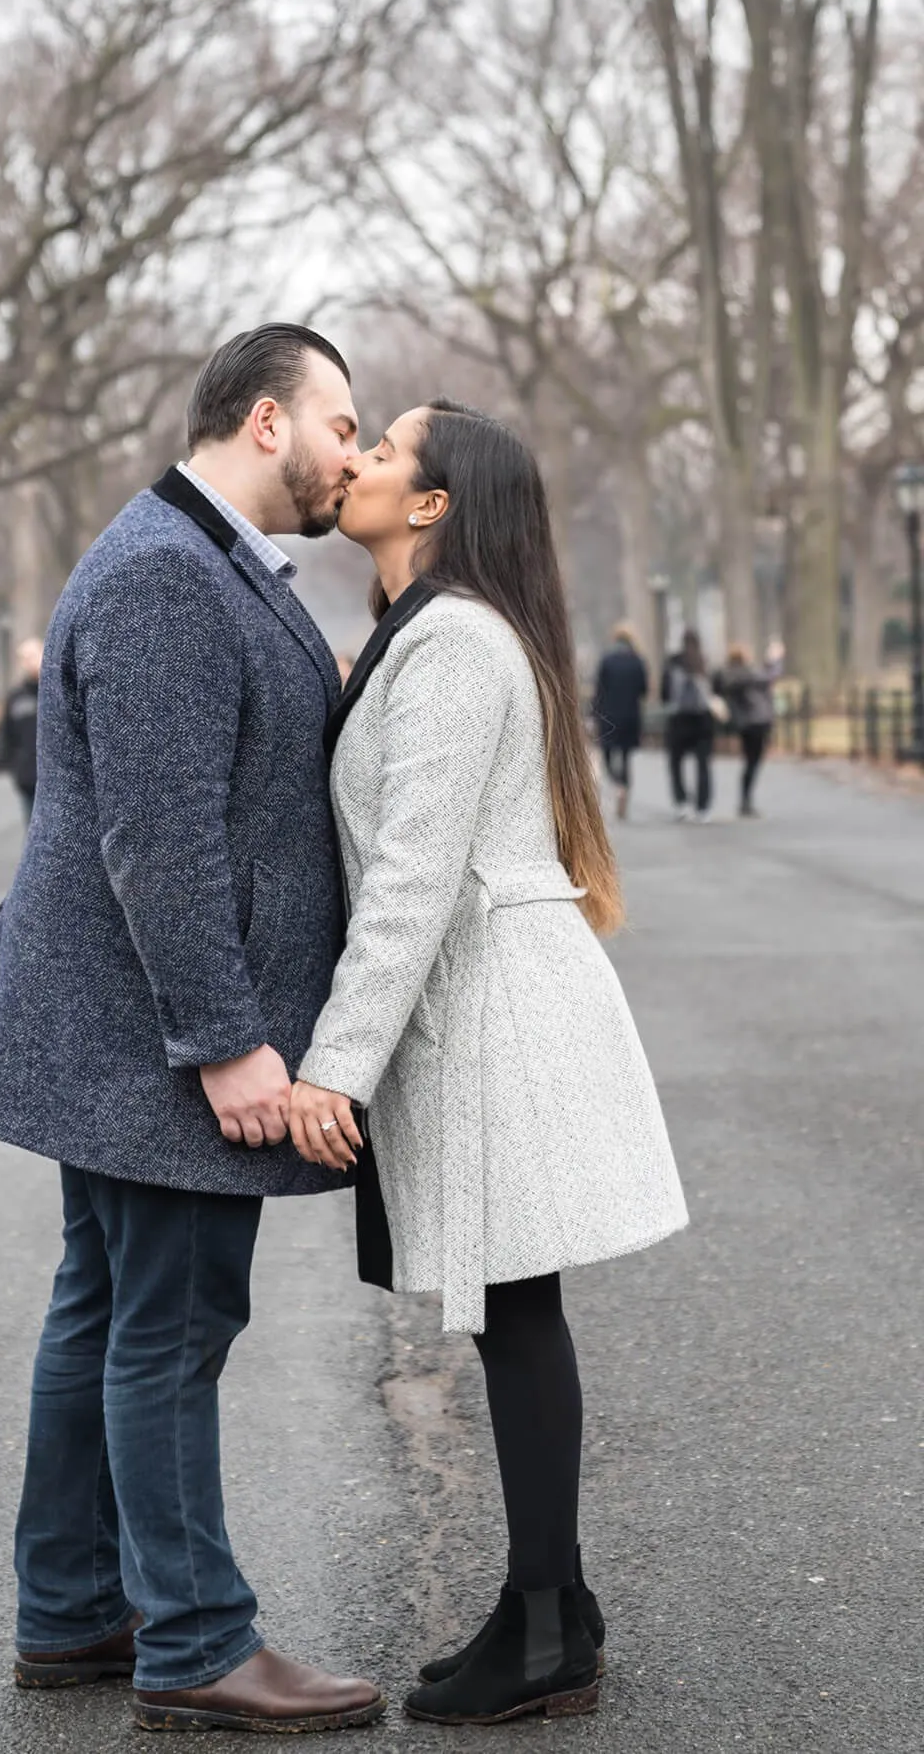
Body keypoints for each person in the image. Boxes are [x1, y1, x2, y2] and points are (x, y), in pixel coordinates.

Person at [0, 325, 385, 1732]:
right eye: (341, 423)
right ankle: (196, 1640)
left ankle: (74, 1608)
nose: (351, 453)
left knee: (105, 1309)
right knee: (172, 1324)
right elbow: (161, 837)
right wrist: (225, 1040)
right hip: (150, 1037)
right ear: (266, 421)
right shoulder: (164, 575)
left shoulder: (199, 559)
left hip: (116, 1024)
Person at [287, 400, 688, 1727]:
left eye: (384, 451)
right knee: (516, 1305)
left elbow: (413, 877)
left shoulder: (454, 641)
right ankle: (550, 1608)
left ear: (434, 503)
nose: (358, 461)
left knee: (516, 1306)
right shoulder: (431, 629)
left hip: (494, 1005)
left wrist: (336, 1068)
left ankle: (546, 1624)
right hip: (488, 995)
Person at [715, 640, 783, 818]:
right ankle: (745, 801)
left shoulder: (730, 675)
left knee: (750, 761)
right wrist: (774, 659)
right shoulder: (746, 674)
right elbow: (768, 676)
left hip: (745, 722)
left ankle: (745, 800)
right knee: (753, 762)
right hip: (757, 721)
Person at [591, 623, 649, 820]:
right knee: (625, 756)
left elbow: (599, 690)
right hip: (631, 715)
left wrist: (594, 714)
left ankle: (617, 783)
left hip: (609, 715)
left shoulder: (607, 660)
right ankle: (624, 787)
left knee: (607, 754)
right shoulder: (638, 661)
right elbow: (644, 689)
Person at [661, 628, 718, 822]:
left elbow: (664, 692)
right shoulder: (704, 662)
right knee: (703, 765)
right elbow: (716, 689)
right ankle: (703, 807)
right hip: (703, 719)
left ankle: (681, 802)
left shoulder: (673, 662)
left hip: (679, 719)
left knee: (676, 763)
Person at [0, 637, 43, 824]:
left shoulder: (58, 690)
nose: (29, 662)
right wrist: (14, 766)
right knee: (32, 825)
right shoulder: (16, 698)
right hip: (28, 776)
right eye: (24, 658)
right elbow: (6, 734)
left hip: (59, 774)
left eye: (33, 656)